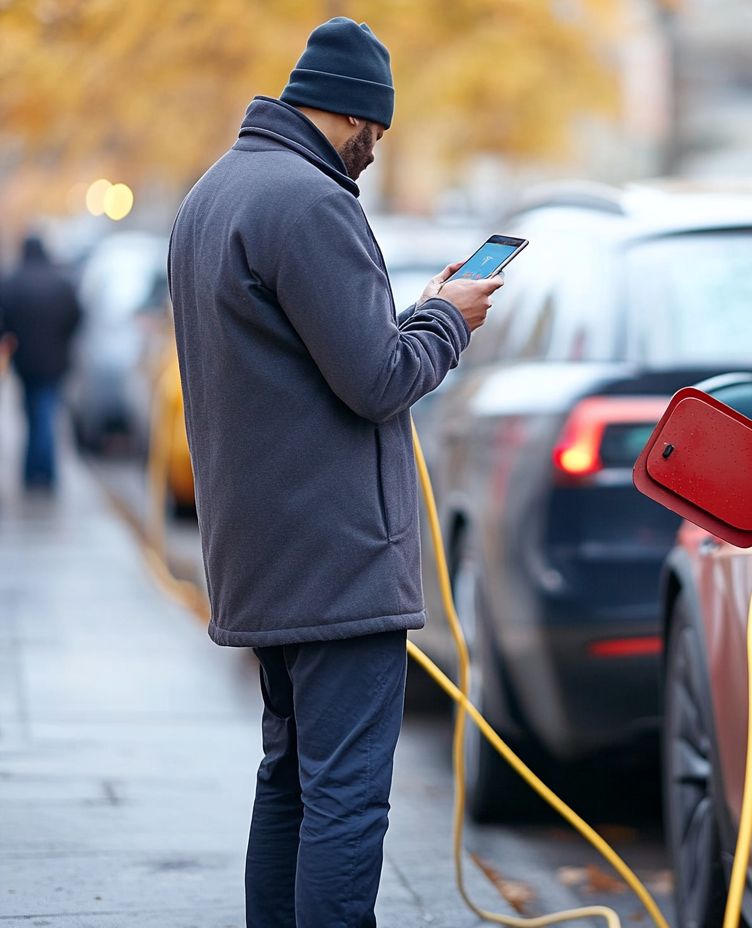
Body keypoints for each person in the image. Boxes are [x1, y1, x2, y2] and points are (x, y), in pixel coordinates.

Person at [166, 18, 502, 928]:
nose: (374, 151)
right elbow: (379, 377)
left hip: (263, 553)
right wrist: (448, 322)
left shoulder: (215, 194)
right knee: (347, 798)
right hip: (338, 561)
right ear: (354, 113)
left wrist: (417, 309)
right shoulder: (310, 201)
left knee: (290, 781)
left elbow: (311, 355)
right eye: (376, 133)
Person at [0, 235, 82, 490]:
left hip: (25, 362)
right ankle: (44, 472)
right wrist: (62, 340)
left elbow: (5, 320)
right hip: (55, 360)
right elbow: (77, 315)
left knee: (34, 414)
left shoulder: (13, 282)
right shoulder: (60, 282)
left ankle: (34, 471)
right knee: (46, 413)